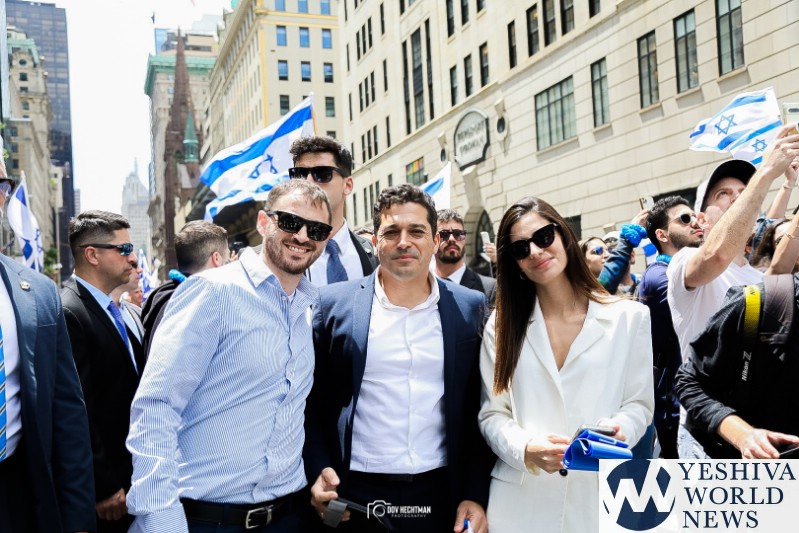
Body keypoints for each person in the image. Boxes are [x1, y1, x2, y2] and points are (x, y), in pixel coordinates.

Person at [126, 179, 332, 532]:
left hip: (290, 515)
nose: (302, 236)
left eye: (316, 229)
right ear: (264, 223)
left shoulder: (307, 307)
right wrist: (161, 520)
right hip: (207, 519)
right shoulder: (212, 292)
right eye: (290, 222)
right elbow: (156, 406)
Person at [305, 184, 493, 533]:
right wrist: (317, 469)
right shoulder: (332, 305)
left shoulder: (470, 307)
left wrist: (475, 493)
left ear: (435, 241)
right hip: (353, 495)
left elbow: (477, 407)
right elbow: (310, 402)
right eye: (391, 232)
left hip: (440, 493)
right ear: (375, 242)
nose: (404, 242)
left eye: (416, 231)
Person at [478, 197, 653, 533]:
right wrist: (525, 448)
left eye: (543, 237)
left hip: (600, 500)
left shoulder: (630, 317)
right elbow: (492, 414)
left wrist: (619, 432)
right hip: (520, 507)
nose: (535, 252)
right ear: (514, 263)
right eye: (520, 249)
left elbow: (639, 405)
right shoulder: (500, 327)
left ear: (564, 235)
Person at [667, 127, 799, 457]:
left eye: (743, 190)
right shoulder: (685, 262)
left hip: (760, 429)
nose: (738, 197)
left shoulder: (759, 276)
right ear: (701, 218)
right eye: (723, 194)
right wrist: (765, 172)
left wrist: (788, 183)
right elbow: (717, 255)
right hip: (705, 428)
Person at [0, 173, 95, 533]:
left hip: (20, 494)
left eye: (1, 185)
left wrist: (79, 519)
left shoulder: (39, 293)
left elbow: (67, 412)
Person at [61, 210, 143, 533]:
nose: (132, 258)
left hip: (135, 478)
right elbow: (78, 410)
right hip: (110, 494)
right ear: (92, 255)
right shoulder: (70, 311)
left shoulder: (112, 309)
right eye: (124, 249)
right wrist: (104, 484)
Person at [639, 196, 704, 459]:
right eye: (685, 219)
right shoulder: (658, 276)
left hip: (702, 400)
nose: (695, 223)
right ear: (662, 235)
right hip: (677, 406)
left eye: (696, 216)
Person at [289, 136, 378, 285]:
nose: (308, 182)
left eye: (322, 174)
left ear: (347, 185)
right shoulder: (274, 258)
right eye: (300, 174)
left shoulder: (376, 254)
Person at [140, 220, 229, 356]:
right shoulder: (194, 307)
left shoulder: (164, 300)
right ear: (216, 258)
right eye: (227, 261)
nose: (229, 267)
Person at [434, 208, 496, 304]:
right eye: (444, 235)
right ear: (433, 240)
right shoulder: (419, 286)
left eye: (458, 234)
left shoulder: (490, 289)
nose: (452, 239)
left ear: (465, 239)